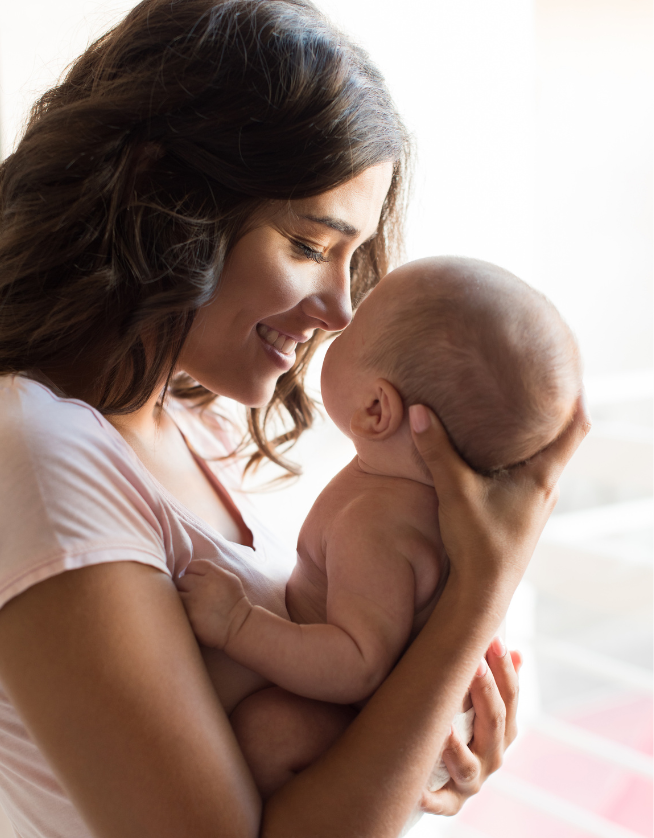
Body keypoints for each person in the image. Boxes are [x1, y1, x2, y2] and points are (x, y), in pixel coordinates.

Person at [0, 2, 589, 838]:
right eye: (309, 246)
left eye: (354, 258)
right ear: (165, 201)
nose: (342, 310)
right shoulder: (33, 454)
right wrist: (481, 589)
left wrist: (419, 750)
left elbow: (304, 804)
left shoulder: (193, 421)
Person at [178, 256, 583, 799]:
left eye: (356, 325)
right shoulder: (412, 498)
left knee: (268, 733)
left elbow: (355, 664)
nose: (340, 319)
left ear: (375, 409)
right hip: (419, 727)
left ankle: (290, 834)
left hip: (392, 735)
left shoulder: (378, 525)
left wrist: (237, 624)